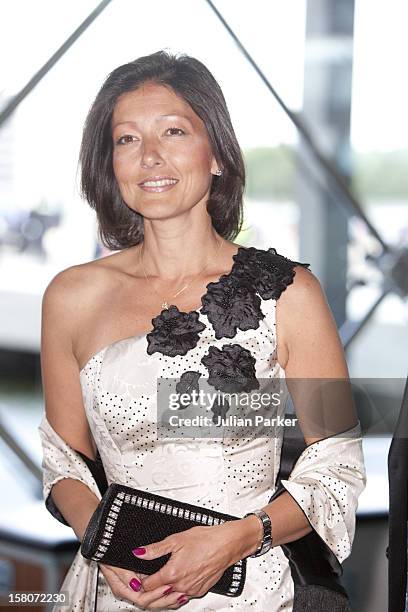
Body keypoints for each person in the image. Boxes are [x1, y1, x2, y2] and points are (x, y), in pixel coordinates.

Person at [38, 50, 366, 611]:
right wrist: (101, 540)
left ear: (215, 153)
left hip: (248, 588)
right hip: (117, 587)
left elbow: (335, 462)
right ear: (109, 164)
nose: (150, 157)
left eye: (173, 131)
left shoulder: (290, 293)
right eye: (126, 140)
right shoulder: (70, 296)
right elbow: (64, 461)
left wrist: (236, 540)